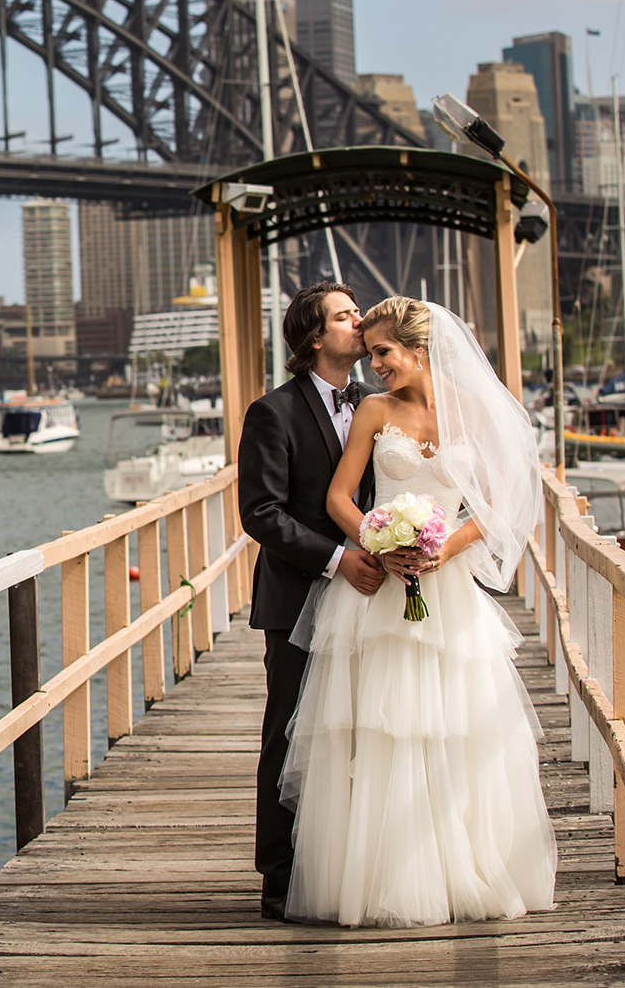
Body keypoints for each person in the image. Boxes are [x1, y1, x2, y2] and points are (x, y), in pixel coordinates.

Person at [282, 296, 556, 927]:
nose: (374, 364)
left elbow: (500, 501)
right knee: (391, 729)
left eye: (383, 352)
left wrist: (442, 548)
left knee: (461, 726)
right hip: (384, 587)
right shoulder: (375, 412)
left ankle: (466, 866)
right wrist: (381, 538)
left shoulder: (476, 411)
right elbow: (338, 498)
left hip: (449, 587)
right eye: (370, 351)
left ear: (420, 348)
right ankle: (395, 879)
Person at [236, 281, 385, 922]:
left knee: (361, 730)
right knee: (290, 732)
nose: (361, 321)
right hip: (300, 596)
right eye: (346, 315)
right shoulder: (274, 413)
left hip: (373, 595)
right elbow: (260, 513)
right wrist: (336, 559)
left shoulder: (381, 403)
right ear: (315, 338)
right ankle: (279, 876)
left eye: (357, 312)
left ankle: (347, 866)